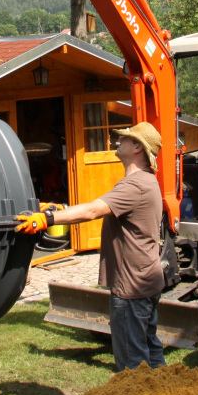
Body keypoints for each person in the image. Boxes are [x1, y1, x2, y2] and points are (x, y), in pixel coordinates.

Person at [15, 122, 166, 371]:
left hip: (131, 287)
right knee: (150, 347)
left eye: (126, 139)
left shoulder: (134, 186)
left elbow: (92, 211)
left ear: (137, 147)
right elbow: (98, 204)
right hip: (147, 281)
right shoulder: (146, 181)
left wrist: (47, 219)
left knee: (132, 363)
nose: (119, 141)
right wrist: (56, 208)